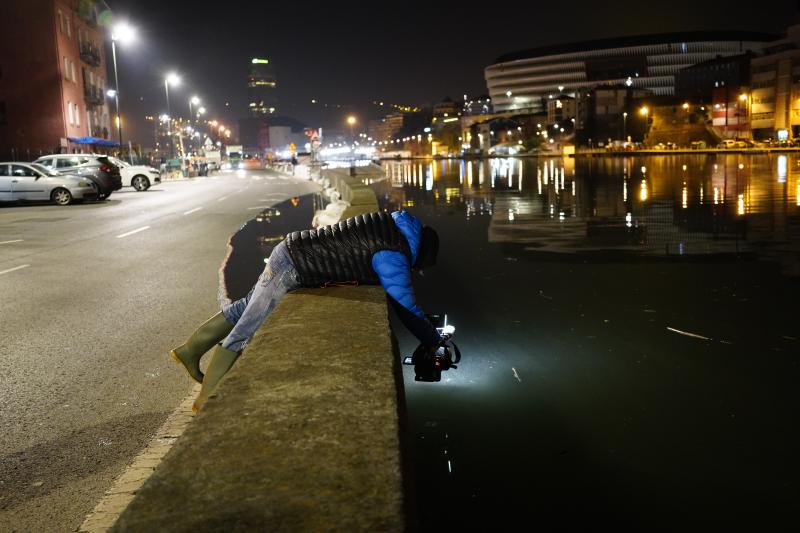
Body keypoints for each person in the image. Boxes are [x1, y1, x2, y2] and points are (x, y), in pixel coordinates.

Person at [170, 210, 441, 412]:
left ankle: (190, 351)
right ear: (421, 255)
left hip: (291, 250)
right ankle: (205, 401)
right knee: (247, 328)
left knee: (246, 306)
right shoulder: (393, 253)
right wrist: (431, 339)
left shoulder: (391, 224)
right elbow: (405, 306)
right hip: (295, 265)